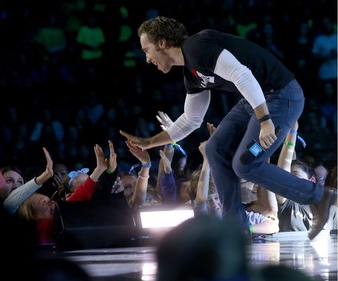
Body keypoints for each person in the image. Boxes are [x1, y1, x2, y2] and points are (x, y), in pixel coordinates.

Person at [119, 16, 336, 240]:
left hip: (281, 97)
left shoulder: (197, 46)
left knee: (246, 164)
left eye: (147, 50)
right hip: (254, 101)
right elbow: (192, 120)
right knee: (214, 149)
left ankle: (320, 196)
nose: (147, 58)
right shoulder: (191, 74)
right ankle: (236, 227)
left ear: (162, 43)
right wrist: (149, 142)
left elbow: (241, 74)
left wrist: (265, 120)